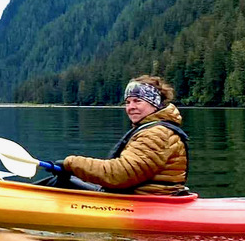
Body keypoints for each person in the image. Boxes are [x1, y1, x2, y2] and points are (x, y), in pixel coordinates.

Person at [41, 75, 189, 194]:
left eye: (137, 101)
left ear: (154, 103)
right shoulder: (155, 129)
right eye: (128, 102)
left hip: (146, 201)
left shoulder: (156, 134)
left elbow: (120, 174)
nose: (131, 107)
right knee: (65, 180)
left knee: (58, 184)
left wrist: (71, 163)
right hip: (144, 195)